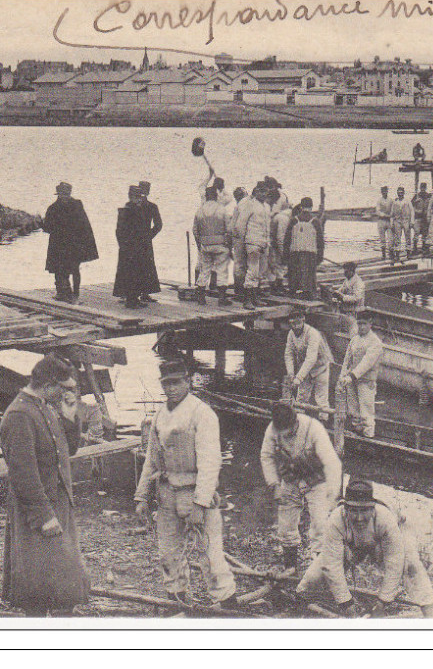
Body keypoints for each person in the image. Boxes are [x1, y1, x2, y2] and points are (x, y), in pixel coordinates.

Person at [134, 360, 238, 608]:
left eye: (176, 383)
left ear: (188, 382)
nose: (171, 389)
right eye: (166, 384)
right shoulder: (160, 414)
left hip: (194, 491)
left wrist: (201, 503)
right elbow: (151, 457)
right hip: (167, 491)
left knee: (210, 554)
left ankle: (227, 602)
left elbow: (210, 462)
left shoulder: (202, 413)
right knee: (168, 552)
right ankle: (176, 598)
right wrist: (141, 496)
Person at [0, 355, 89, 616]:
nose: (67, 393)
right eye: (63, 388)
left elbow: (66, 451)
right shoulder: (20, 415)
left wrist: (71, 417)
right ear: (48, 385)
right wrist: (44, 516)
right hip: (37, 511)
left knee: (64, 586)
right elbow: (22, 473)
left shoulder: (44, 407)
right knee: (37, 590)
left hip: (57, 505)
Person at [296, 479, 433, 617]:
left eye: (364, 511)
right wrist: (346, 603)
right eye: (354, 511)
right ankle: (302, 597)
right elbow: (331, 564)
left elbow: (395, 563)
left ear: (372, 508)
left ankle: (431, 611)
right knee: (316, 575)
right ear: (345, 508)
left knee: (410, 567)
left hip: (383, 541)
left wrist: (382, 603)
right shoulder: (336, 520)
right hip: (352, 543)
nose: (359, 518)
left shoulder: (385, 519)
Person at [260, 403, 341, 569]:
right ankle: (291, 566)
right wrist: (274, 484)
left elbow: (332, 464)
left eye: (289, 431)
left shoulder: (314, 429)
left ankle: (322, 568)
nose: (285, 434)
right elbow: (266, 456)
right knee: (286, 523)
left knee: (320, 524)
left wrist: (332, 496)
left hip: (316, 479)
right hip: (291, 478)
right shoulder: (272, 430)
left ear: (295, 422)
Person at [42, 182, 98, 303]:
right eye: (63, 194)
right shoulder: (55, 207)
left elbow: (85, 225)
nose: (65, 196)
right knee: (60, 269)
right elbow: (47, 228)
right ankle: (63, 293)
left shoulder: (61, 207)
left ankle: (73, 294)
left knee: (72, 269)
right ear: (59, 194)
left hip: (72, 244)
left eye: (66, 194)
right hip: (61, 245)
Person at [335, 311, 383, 439]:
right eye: (359, 324)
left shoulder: (375, 342)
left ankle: (369, 436)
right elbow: (347, 360)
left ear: (370, 324)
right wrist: (342, 375)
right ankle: (357, 431)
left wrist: (351, 376)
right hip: (352, 380)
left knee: (366, 410)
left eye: (364, 324)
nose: (361, 327)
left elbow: (366, 363)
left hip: (366, 381)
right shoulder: (355, 339)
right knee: (353, 410)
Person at [113, 185, 161, 309]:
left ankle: (134, 298)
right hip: (132, 247)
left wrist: (146, 237)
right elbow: (120, 230)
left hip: (136, 246)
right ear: (131, 197)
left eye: (140, 197)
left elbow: (121, 231)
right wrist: (125, 245)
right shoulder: (129, 210)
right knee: (132, 273)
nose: (139, 200)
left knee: (136, 272)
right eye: (137, 197)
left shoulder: (134, 209)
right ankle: (131, 300)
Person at [285, 308, 334, 411]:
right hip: (305, 368)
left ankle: (323, 422)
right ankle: (299, 422)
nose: (296, 325)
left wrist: (298, 378)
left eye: (299, 320)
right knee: (301, 399)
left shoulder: (313, 334)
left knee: (321, 400)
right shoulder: (291, 334)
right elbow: (288, 354)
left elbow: (311, 358)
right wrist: (290, 373)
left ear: (303, 320)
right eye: (293, 321)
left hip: (321, 367)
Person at [191, 186, 231, 306]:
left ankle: (201, 297)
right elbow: (228, 228)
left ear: (207, 196)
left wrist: (199, 244)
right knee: (222, 270)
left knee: (204, 270)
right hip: (220, 244)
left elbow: (195, 230)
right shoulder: (221, 209)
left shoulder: (200, 210)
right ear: (216, 196)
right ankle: (222, 298)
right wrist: (228, 243)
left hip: (205, 244)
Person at [237, 183, 271, 309]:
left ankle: (255, 298)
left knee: (259, 272)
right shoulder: (250, 205)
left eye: (265, 191)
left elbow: (267, 226)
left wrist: (267, 242)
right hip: (252, 242)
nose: (263, 194)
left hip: (263, 243)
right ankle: (247, 300)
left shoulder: (267, 207)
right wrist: (242, 243)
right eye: (260, 191)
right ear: (256, 192)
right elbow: (240, 225)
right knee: (252, 271)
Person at [284, 199, 324, 298]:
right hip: (310, 252)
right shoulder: (315, 221)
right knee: (309, 274)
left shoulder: (294, 220)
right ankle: (308, 293)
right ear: (311, 207)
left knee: (294, 272)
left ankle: (293, 292)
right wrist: (320, 256)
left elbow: (287, 240)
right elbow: (320, 242)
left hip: (295, 251)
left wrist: (285, 254)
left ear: (301, 207)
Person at [389, 186, 413, 262]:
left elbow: (412, 212)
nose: (400, 194)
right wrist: (391, 223)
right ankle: (397, 255)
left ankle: (408, 253)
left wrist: (412, 222)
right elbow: (392, 214)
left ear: (404, 193)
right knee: (397, 238)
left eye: (401, 193)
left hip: (406, 221)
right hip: (398, 221)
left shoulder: (407, 201)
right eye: (399, 193)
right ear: (397, 193)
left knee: (408, 237)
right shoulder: (395, 202)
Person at [410, 182, 432, 254]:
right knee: (416, 232)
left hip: (425, 218)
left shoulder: (429, 196)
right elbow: (411, 205)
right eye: (421, 188)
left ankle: (424, 248)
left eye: (424, 188)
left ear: (425, 188)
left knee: (425, 233)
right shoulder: (416, 196)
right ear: (420, 188)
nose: (422, 189)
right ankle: (415, 248)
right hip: (418, 217)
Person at [374, 186, 393, 260]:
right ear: (381, 192)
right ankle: (383, 254)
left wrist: (391, 215)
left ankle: (391, 253)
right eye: (383, 191)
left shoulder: (390, 200)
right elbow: (378, 211)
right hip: (381, 221)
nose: (384, 193)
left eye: (386, 191)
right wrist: (385, 215)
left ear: (387, 191)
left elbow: (393, 209)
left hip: (389, 221)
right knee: (382, 239)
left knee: (390, 238)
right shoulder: (379, 201)